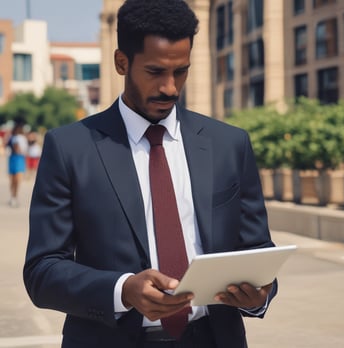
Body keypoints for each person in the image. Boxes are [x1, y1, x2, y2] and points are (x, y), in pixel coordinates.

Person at [23, 1, 278, 347]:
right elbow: (42, 271)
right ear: (121, 62)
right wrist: (123, 290)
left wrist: (259, 295)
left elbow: (258, 249)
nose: (171, 88)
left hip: (214, 338)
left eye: (181, 71)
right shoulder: (69, 148)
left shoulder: (229, 144)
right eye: (156, 72)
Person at [7, 122, 28, 207]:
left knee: (14, 180)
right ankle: (14, 197)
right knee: (16, 180)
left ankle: (13, 197)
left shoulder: (14, 137)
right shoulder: (19, 138)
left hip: (15, 158)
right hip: (18, 158)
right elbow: (18, 149)